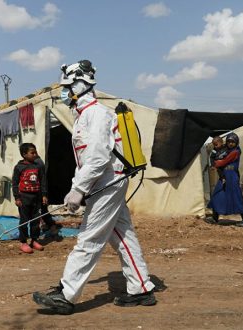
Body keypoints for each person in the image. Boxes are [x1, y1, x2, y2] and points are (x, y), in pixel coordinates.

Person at [32, 60, 156, 315]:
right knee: (122, 235)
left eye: (67, 87)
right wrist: (78, 187)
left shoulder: (96, 114)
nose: (63, 92)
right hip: (107, 181)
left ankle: (67, 295)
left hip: (108, 182)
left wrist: (79, 189)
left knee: (89, 237)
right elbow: (87, 159)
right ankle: (141, 287)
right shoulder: (83, 116)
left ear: (80, 85)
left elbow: (98, 157)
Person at [206, 133, 243, 227]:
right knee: (218, 194)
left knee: (236, 197)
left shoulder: (235, 152)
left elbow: (224, 162)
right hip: (225, 177)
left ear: (236, 142)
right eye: (229, 141)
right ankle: (215, 217)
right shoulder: (226, 150)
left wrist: (216, 163)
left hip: (232, 177)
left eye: (232, 142)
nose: (230, 143)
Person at [12, 143, 48, 253]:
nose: (35, 154)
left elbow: (42, 181)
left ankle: (34, 240)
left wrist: (44, 195)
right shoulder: (19, 167)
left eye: (35, 152)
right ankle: (23, 242)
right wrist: (17, 198)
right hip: (24, 198)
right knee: (24, 220)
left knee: (36, 220)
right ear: (24, 154)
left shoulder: (38, 166)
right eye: (32, 153)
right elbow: (14, 183)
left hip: (36, 198)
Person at [34, 150, 61, 237]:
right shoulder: (33, 162)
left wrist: (44, 194)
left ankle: (52, 227)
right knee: (41, 212)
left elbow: (43, 180)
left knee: (42, 211)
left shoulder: (38, 163)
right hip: (35, 192)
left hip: (39, 192)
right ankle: (49, 226)